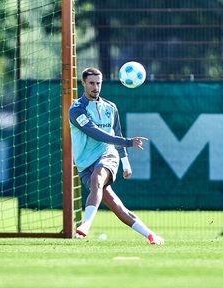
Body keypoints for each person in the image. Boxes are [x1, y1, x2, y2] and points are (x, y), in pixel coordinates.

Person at [69, 67, 165, 245]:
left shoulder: (110, 107)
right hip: (84, 164)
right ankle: (151, 235)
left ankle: (86, 224)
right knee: (115, 204)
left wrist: (125, 163)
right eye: (91, 83)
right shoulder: (76, 109)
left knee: (97, 179)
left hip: (107, 155)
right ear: (83, 84)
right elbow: (95, 133)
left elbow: (116, 132)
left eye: (98, 83)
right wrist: (128, 142)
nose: (95, 87)